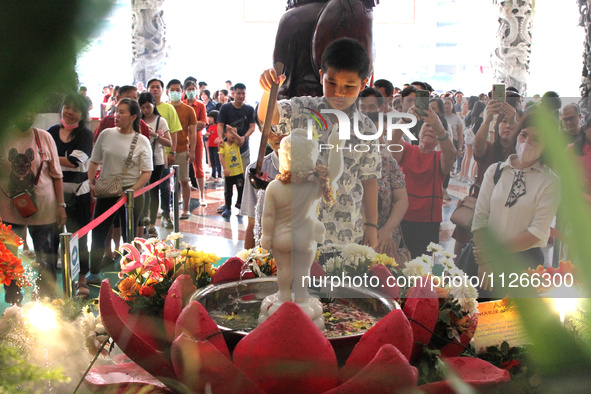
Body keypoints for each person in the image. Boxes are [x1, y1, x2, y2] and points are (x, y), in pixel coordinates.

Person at [259, 37, 381, 247]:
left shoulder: (366, 128)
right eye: (331, 83)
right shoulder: (303, 109)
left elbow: (369, 180)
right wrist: (268, 90)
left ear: (363, 84)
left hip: (346, 232)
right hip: (297, 229)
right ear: (321, 76)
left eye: (349, 85)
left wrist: (372, 225)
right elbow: (270, 117)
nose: (339, 92)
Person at [473, 112, 560, 292]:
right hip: (485, 257)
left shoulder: (550, 182)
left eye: (536, 139)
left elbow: (537, 230)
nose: (526, 143)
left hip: (524, 262)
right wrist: (484, 260)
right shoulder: (495, 171)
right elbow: (480, 217)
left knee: (511, 317)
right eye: (524, 135)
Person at [0, 110, 67, 303]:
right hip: (8, 210)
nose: (26, 115)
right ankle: (14, 303)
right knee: (10, 260)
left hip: (44, 211)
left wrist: (61, 205)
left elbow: (56, 174)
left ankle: (46, 302)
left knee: (46, 260)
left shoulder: (44, 137)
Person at [87, 99, 152, 284]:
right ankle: (94, 273)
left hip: (132, 194)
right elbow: (94, 161)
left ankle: (128, 276)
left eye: (122, 112)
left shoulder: (142, 140)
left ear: (133, 116)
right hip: (107, 190)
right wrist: (90, 181)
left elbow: (147, 173)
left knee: (128, 235)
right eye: (116, 111)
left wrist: (130, 191)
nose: (117, 115)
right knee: (99, 232)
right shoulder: (106, 134)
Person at [390, 105, 457, 258]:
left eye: (434, 128)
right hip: (400, 217)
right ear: (419, 131)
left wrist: (438, 126)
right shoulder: (407, 151)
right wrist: (406, 119)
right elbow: (392, 139)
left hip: (428, 222)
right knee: (397, 263)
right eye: (427, 125)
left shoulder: (439, 157)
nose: (430, 129)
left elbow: (451, 152)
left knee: (422, 268)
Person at [47, 93, 93, 298]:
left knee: (80, 237)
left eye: (75, 109)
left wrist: (49, 157)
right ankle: (51, 284)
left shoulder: (85, 135)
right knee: (52, 237)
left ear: (82, 114)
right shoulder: (50, 132)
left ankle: (82, 278)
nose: (70, 112)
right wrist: (57, 159)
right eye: (67, 107)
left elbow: (76, 161)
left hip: (78, 195)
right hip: (53, 195)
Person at [359, 88, 409, 261]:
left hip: (384, 240)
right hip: (352, 235)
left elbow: (402, 200)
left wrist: (386, 230)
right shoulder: (347, 159)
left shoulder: (388, 163)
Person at [147, 78, 182, 229]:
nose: (155, 89)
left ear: (162, 90)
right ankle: (148, 219)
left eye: (157, 87)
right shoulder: (143, 109)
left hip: (163, 155)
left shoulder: (168, 109)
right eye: (152, 87)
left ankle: (166, 215)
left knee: (164, 187)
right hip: (145, 157)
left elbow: (173, 132)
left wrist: (172, 151)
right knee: (148, 188)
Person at [241, 131, 284, 249]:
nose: (277, 136)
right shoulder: (256, 171)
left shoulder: (312, 169)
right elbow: (252, 223)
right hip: (270, 254)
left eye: (283, 129)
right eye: (271, 130)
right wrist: (249, 262)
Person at [217, 83, 256, 212]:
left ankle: (243, 203)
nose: (241, 96)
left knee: (244, 177)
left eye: (243, 93)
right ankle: (227, 204)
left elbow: (252, 127)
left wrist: (245, 136)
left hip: (243, 150)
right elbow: (220, 125)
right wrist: (220, 138)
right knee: (228, 177)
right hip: (228, 150)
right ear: (233, 94)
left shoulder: (250, 109)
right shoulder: (225, 108)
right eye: (238, 93)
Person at [138, 92, 171, 238]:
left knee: (153, 190)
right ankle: (142, 220)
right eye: (143, 107)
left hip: (156, 159)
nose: (146, 110)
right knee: (141, 190)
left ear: (154, 105)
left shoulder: (160, 121)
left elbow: (169, 142)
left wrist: (155, 135)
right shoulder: (138, 121)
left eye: (148, 106)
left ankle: (151, 224)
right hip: (140, 160)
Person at [167, 79, 198, 218]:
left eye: (177, 90)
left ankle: (186, 208)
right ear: (167, 91)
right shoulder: (165, 108)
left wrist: (191, 151)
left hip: (181, 149)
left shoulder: (188, 110)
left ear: (182, 92)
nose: (175, 92)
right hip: (165, 150)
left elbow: (192, 132)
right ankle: (166, 209)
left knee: (184, 180)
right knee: (165, 182)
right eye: (172, 90)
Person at [183, 79, 208, 205]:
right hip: (182, 138)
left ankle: (202, 195)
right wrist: (194, 124)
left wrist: (190, 124)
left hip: (197, 139)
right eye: (189, 89)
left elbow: (203, 124)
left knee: (198, 167)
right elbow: (179, 124)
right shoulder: (181, 104)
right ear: (185, 91)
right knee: (182, 167)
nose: (191, 91)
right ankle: (181, 195)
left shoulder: (200, 105)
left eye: (193, 89)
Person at [218, 126, 244, 218]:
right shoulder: (223, 145)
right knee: (228, 192)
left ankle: (239, 204)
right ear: (225, 134)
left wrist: (232, 132)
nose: (233, 134)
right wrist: (225, 168)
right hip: (229, 174)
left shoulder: (236, 144)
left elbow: (240, 140)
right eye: (230, 132)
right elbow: (221, 157)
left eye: (235, 132)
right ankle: (228, 208)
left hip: (238, 172)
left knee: (241, 189)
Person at [205, 110, 222, 180]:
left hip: (216, 146)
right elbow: (207, 133)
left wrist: (218, 139)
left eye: (211, 118)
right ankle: (213, 174)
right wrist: (207, 134)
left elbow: (221, 135)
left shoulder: (218, 126)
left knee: (217, 160)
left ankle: (219, 175)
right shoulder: (210, 126)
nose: (209, 119)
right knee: (212, 161)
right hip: (210, 145)